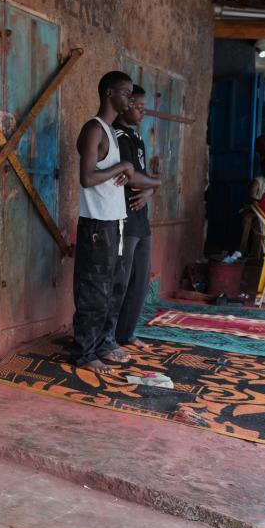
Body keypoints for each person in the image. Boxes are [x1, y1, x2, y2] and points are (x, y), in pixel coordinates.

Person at [71, 71, 137, 374]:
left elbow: (111, 174)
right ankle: (84, 352)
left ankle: (104, 343)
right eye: (126, 92)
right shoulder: (93, 129)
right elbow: (86, 178)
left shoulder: (111, 131)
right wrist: (121, 167)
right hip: (97, 225)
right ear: (109, 93)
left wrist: (122, 171)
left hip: (116, 222)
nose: (130, 99)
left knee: (115, 287)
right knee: (94, 291)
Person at [105, 85, 161, 350]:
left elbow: (142, 178)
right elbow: (130, 178)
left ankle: (126, 334)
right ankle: (109, 337)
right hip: (124, 218)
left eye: (143, 105)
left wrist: (150, 189)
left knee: (140, 280)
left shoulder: (136, 138)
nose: (143, 110)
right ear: (125, 105)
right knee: (120, 281)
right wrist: (155, 183)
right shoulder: (117, 136)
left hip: (141, 219)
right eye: (137, 105)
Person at [239, 156, 265, 256]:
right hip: (256, 210)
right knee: (259, 223)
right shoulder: (258, 181)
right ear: (263, 169)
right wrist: (264, 203)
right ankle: (253, 254)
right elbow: (250, 198)